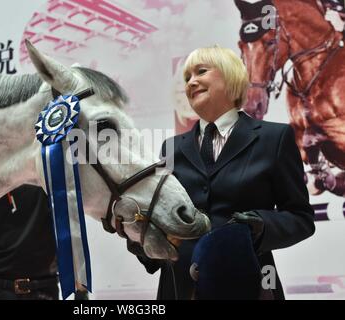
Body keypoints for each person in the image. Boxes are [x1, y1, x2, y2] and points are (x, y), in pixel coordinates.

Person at [130, 46, 315, 300]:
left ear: (230, 76)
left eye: (201, 71)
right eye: (187, 78)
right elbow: (163, 226)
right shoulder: (171, 148)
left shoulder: (274, 138)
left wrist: (259, 226)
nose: (191, 82)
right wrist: (139, 235)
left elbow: (300, 218)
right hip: (180, 289)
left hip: (249, 285)